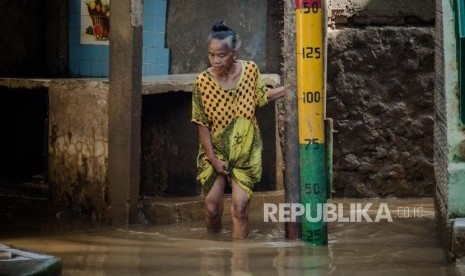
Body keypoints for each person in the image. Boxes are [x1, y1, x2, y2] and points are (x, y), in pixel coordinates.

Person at [191, 21, 286, 239]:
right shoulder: (202, 83)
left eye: (221, 55)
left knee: (240, 209)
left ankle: (239, 265)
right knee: (212, 209)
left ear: (234, 54)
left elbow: (261, 96)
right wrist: (213, 159)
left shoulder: (250, 70)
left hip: (245, 151)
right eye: (211, 54)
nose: (215, 60)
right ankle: (213, 256)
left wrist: (291, 89)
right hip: (214, 151)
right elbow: (201, 123)